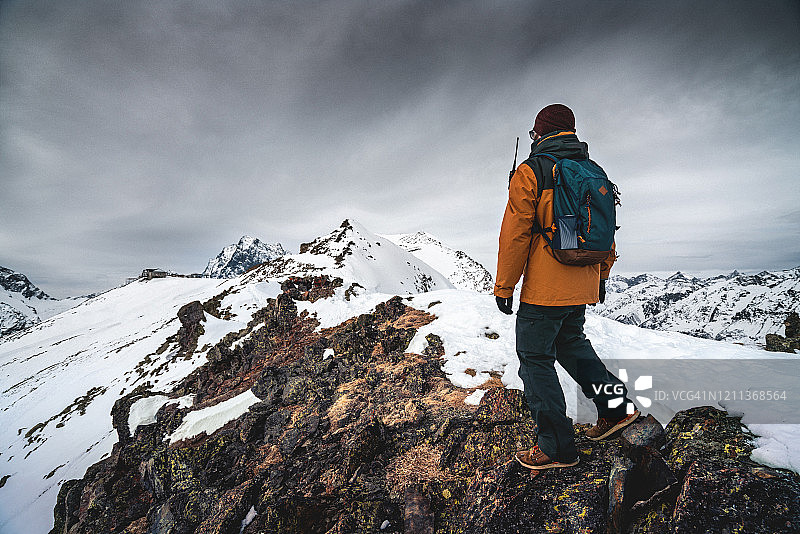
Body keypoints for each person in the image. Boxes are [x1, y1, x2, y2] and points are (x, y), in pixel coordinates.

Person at [494, 103, 639, 470]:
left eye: (533, 134)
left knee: (535, 360)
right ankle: (617, 408)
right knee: (573, 346)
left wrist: (504, 286)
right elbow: (606, 232)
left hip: (546, 288)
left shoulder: (532, 171)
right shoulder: (594, 172)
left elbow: (516, 234)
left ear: (540, 134)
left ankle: (557, 447)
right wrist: (602, 275)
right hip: (583, 281)